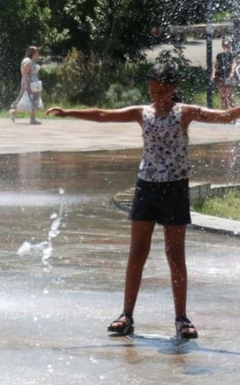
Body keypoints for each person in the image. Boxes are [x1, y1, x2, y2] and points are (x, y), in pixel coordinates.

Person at [46, 62, 240, 339]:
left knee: (175, 255)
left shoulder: (185, 112)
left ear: (173, 88)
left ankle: (181, 318)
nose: (157, 97)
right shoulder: (142, 113)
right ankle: (126, 315)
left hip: (175, 189)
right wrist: (68, 112)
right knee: (137, 253)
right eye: (152, 91)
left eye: (162, 92)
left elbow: (224, 116)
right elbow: (103, 114)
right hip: (146, 188)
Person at [9, 46, 43, 124]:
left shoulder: (32, 61)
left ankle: (32, 119)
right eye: (37, 52)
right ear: (33, 53)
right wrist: (26, 85)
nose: (38, 54)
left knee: (35, 100)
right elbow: (24, 73)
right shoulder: (28, 61)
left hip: (34, 85)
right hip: (29, 83)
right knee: (26, 99)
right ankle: (13, 111)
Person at [211, 39, 237, 110]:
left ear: (230, 45)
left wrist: (232, 73)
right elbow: (215, 65)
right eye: (225, 45)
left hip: (230, 77)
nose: (226, 47)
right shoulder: (219, 55)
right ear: (222, 46)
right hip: (221, 77)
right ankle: (224, 111)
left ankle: (233, 111)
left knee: (229, 96)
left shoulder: (233, 55)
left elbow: (234, 64)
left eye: (227, 45)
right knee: (222, 96)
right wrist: (213, 74)